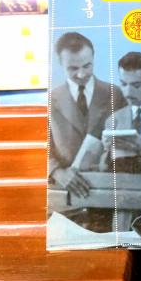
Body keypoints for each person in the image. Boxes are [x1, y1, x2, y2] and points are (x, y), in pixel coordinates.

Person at [48, 32, 126, 197]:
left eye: (87, 66)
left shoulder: (116, 94)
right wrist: (56, 172)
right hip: (64, 193)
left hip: (107, 191)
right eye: (73, 68)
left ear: (93, 58)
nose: (81, 74)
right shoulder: (49, 100)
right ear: (60, 63)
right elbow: (41, 148)